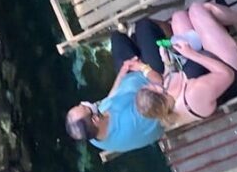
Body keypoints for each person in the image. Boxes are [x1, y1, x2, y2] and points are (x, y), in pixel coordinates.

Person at [131, 0, 237, 130]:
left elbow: (173, 73)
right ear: (159, 95)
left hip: (206, 64)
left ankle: (220, 24)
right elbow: (226, 74)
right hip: (232, 72)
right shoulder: (193, 97)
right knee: (198, 10)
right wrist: (191, 55)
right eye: (154, 87)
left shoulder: (168, 98)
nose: (156, 84)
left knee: (179, 17)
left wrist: (167, 60)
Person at [64, 17, 170, 153]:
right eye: (84, 108)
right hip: (155, 79)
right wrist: (143, 67)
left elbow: (111, 98)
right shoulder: (131, 122)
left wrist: (123, 72)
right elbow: (159, 93)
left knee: (117, 37)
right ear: (95, 119)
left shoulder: (92, 133)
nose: (84, 103)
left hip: (131, 76)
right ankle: (172, 37)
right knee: (144, 26)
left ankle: (140, 40)